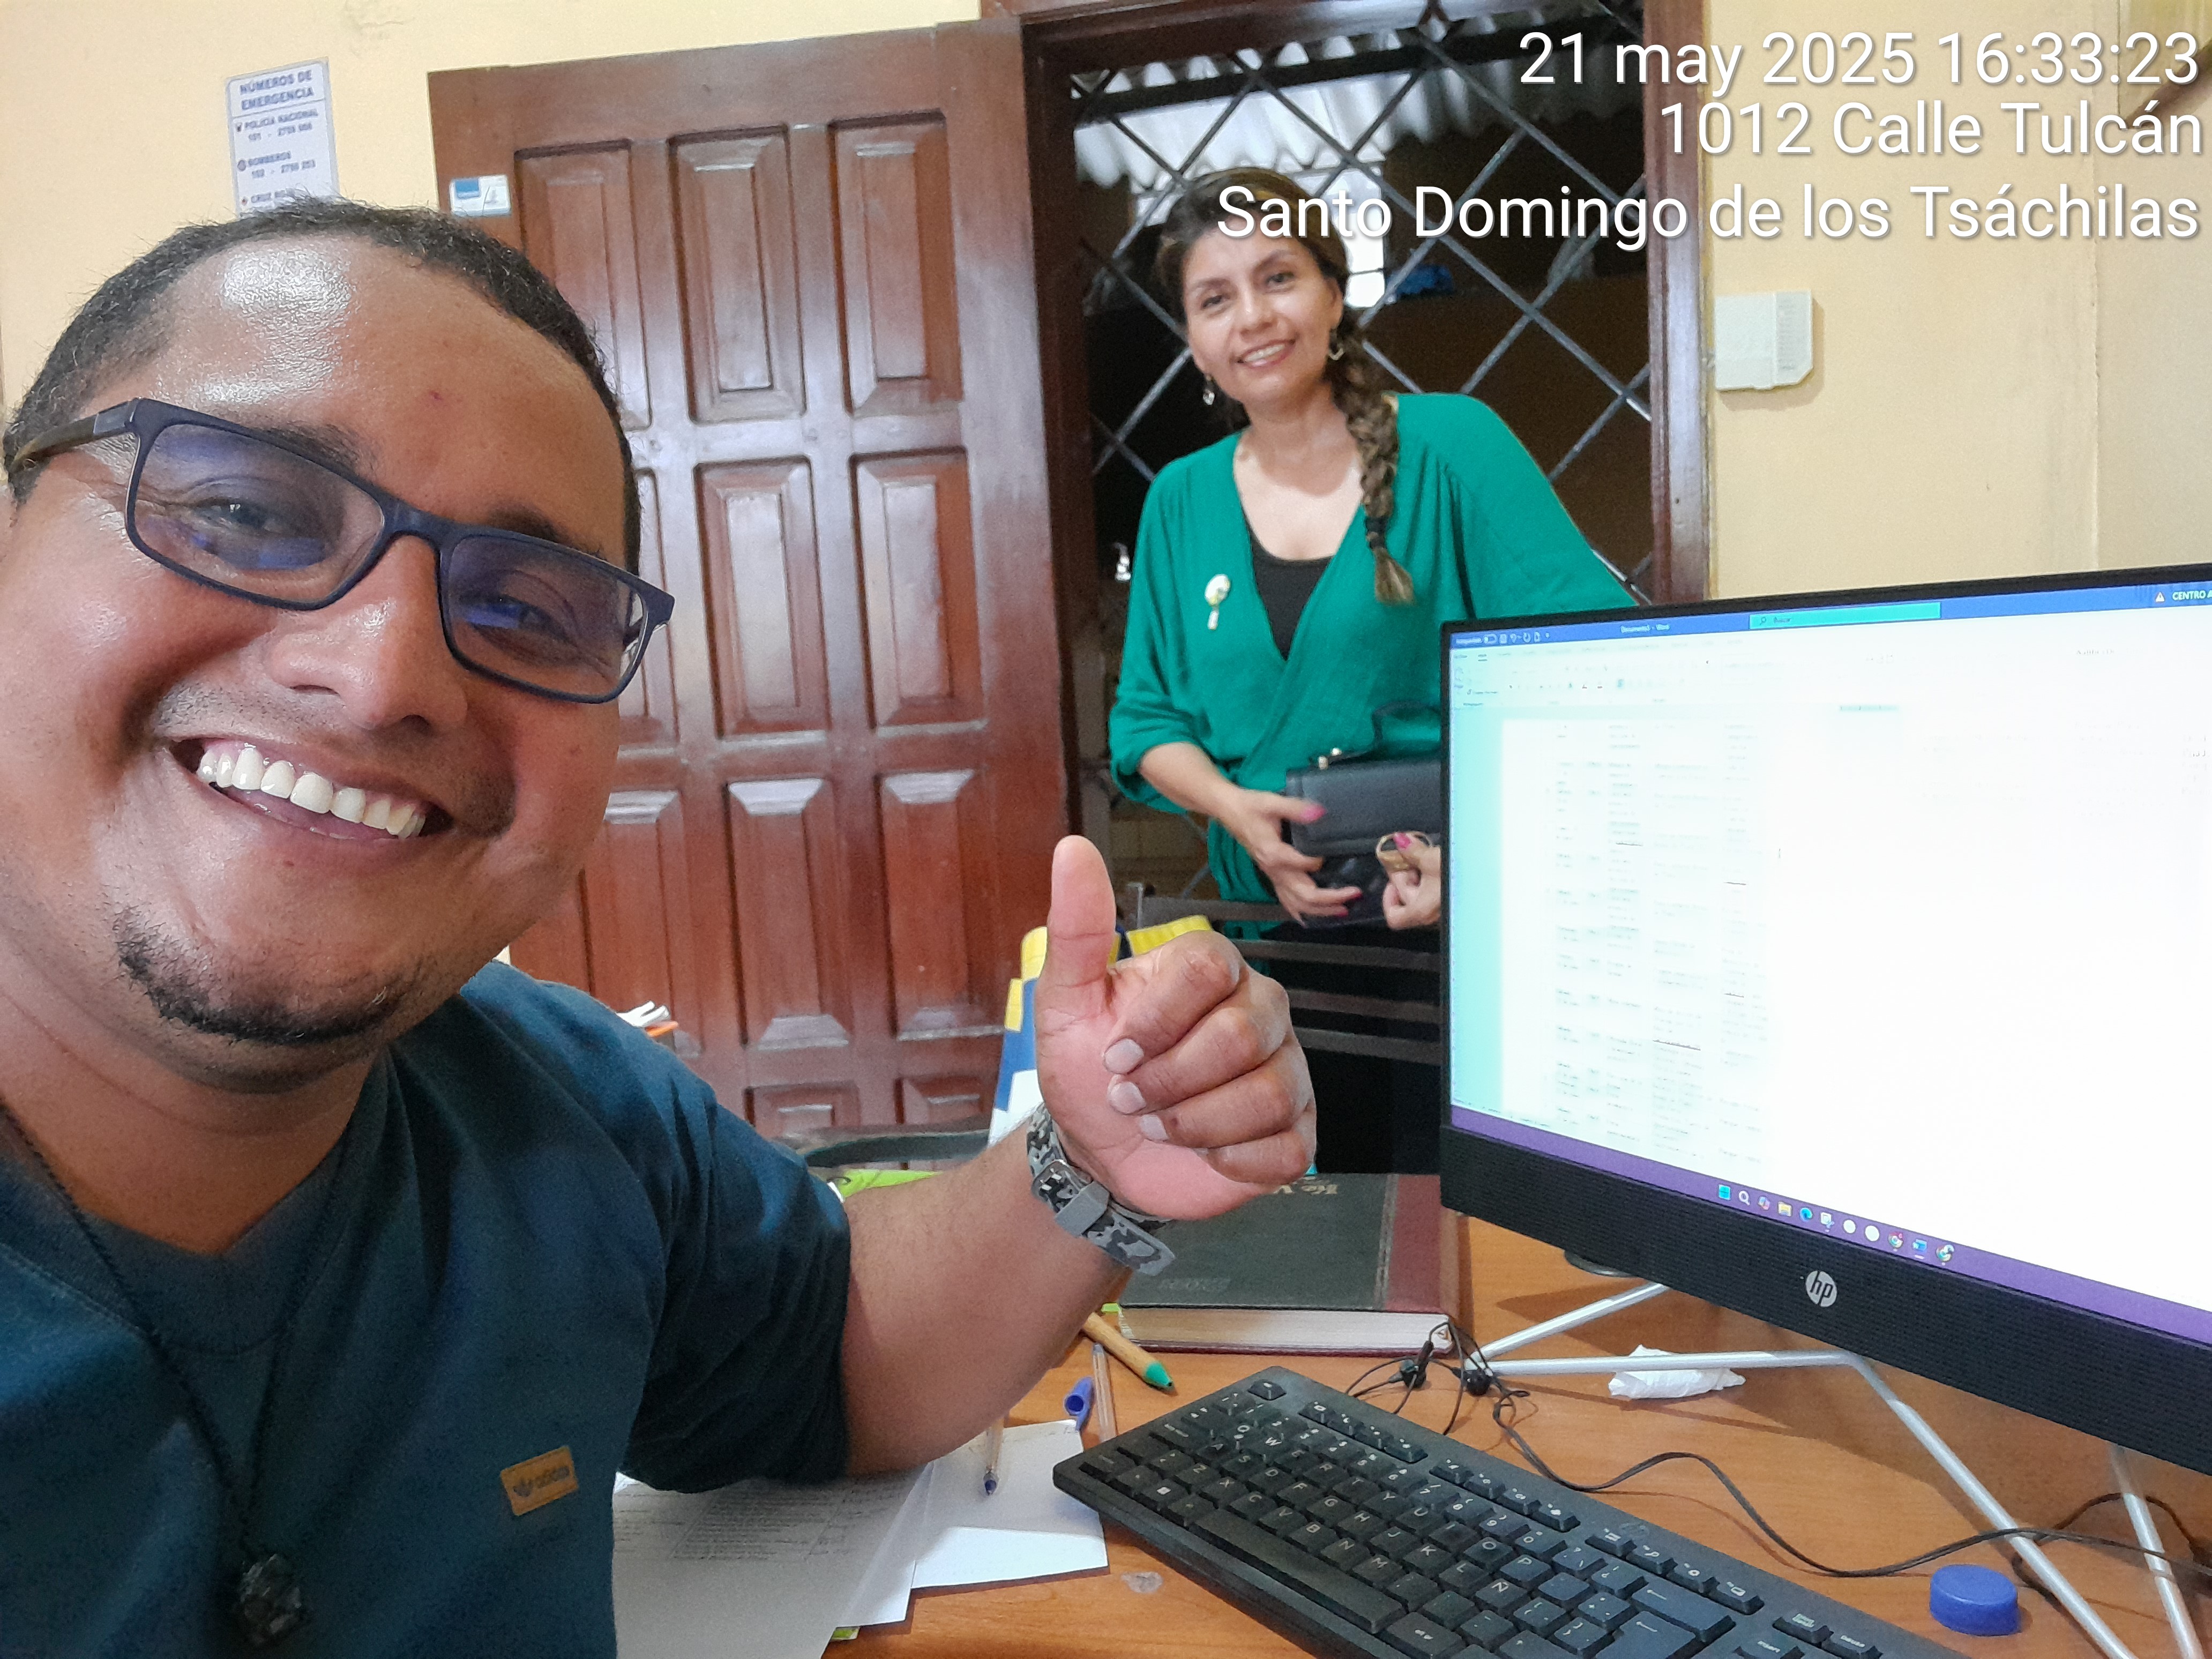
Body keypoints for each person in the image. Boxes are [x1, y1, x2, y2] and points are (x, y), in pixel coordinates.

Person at [0, 199, 1312, 1655]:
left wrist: (1094, 1156)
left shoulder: (545, 1108)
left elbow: (836, 1349)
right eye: (247, 513)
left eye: (527, 606)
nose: (384, 675)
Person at [1108, 168, 1631, 1170]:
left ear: (1333, 291)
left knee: (1490, 1202)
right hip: (1274, 948)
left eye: (1279, 278)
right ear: (1193, 339)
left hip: (1466, 928)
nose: (1253, 318)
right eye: (1215, 299)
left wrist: (1473, 849)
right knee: (1326, 1210)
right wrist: (1234, 810)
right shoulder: (1178, 500)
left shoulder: (1450, 445)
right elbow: (1146, 724)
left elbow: (1591, 661)